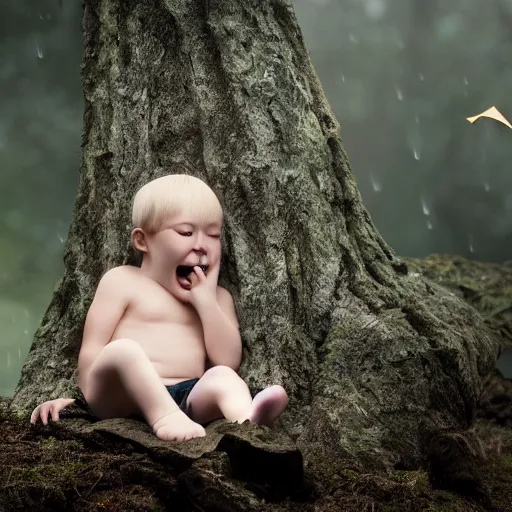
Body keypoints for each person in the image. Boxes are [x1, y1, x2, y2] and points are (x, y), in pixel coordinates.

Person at [30, 174, 288, 442]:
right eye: (185, 232)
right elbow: (93, 349)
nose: (201, 245)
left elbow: (227, 361)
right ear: (143, 241)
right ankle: (164, 418)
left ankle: (248, 422)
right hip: (120, 396)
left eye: (213, 235)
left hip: (185, 396)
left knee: (224, 377)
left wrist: (206, 303)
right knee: (124, 350)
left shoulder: (218, 297)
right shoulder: (123, 280)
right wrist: (81, 400)